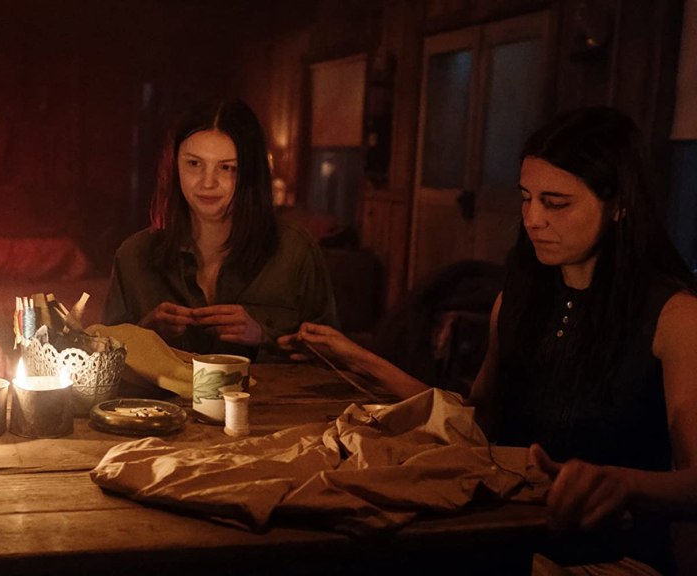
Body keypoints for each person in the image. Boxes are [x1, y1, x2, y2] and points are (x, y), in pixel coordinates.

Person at [280, 107, 697, 574]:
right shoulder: (522, 294)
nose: (533, 219)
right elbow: (476, 421)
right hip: (504, 530)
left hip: (613, 553)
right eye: (525, 198)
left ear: (619, 204)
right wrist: (357, 359)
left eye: (555, 203)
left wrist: (620, 483)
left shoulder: (674, 316)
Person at [103, 99, 338, 361]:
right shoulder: (134, 256)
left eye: (227, 168)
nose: (207, 182)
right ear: (175, 166)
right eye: (194, 164)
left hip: (268, 401)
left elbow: (330, 361)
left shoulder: (293, 252)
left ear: (250, 173)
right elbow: (101, 364)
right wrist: (144, 334)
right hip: (160, 403)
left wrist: (262, 336)